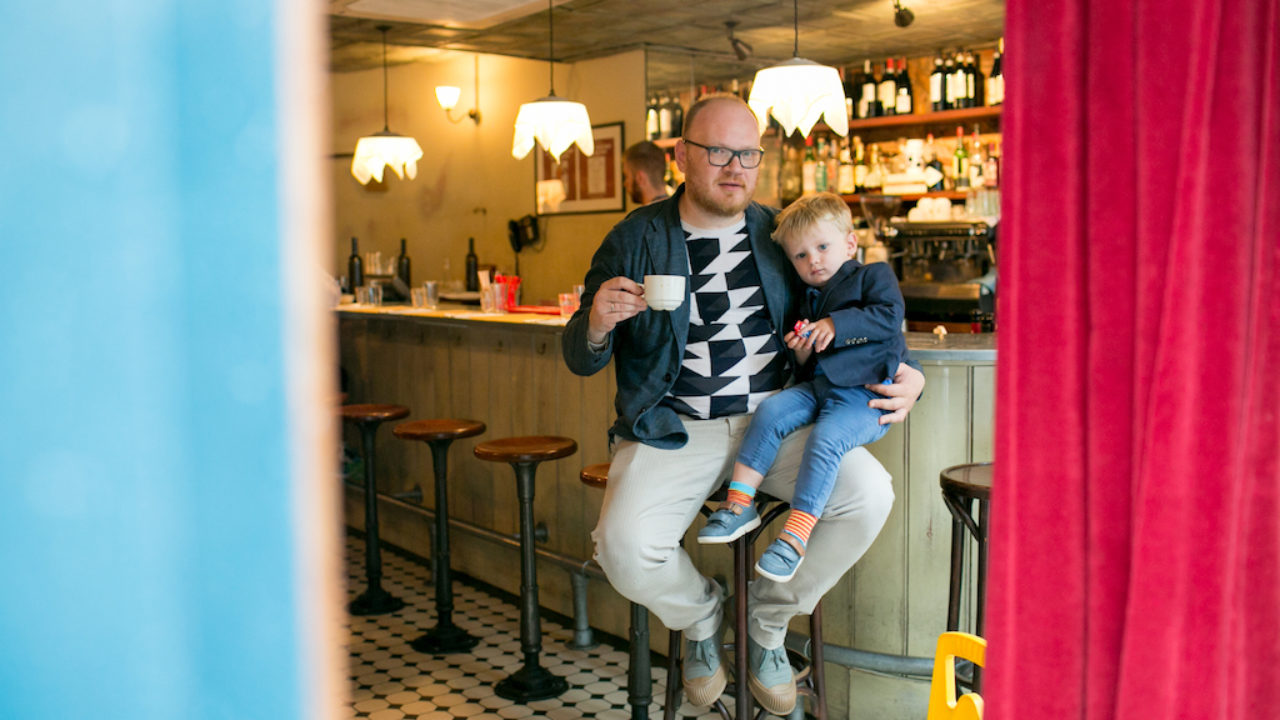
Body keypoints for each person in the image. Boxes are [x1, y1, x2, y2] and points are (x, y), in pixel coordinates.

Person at [562, 94, 924, 716]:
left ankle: (765, 623)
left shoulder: (780, 231)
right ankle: (704, 616)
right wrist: (595, 323)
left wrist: (909, 370)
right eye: (718, 152)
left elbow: (859, 301)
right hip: (675, 426)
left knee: (869, 495)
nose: (735, 167)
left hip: (779, 415)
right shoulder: (635, 238)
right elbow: (579, 352)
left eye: (748, 154)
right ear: (681, 156)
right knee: (621, 549)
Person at [696, 193, 908, 586]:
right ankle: (740, 504)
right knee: (772, 412)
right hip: (819, 387)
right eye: (800, 255)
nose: (813, 261)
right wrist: (803, 351)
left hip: (865, 397)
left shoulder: (873, 276)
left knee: (826, 439)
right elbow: (809, 364)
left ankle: (794, 537)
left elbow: (889, 317)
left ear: (849, 243)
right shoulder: (806, 297)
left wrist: (834, 325)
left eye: (823, 247)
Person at [622, 141, 671, 205]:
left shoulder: (640, 215)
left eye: (627, 176)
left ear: (640, 178)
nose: (625, 183)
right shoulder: (680, 211)